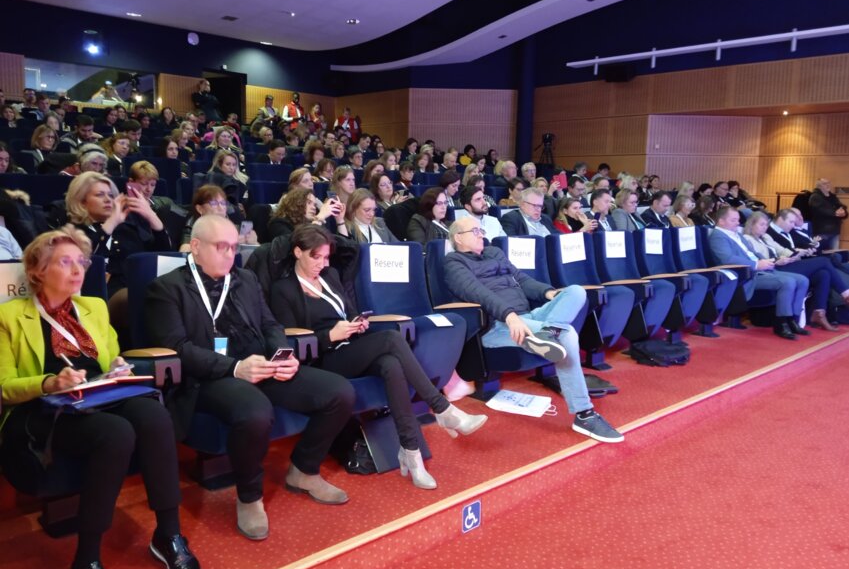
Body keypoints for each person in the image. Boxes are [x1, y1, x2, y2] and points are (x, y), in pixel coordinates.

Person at [0, 226, 202, 569]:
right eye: (65, 262)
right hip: (45, 410)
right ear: (37, 271)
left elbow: (112, 358)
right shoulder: (10, 316)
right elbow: (4, 387)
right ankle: (86, 560)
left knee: (155, 416)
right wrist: (50, 382)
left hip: (100, 396)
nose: (78, 270)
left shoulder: (93, 307)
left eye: (81, 261)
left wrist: (118, 367)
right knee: (117, 433)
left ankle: (169, 535)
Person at [146, 215, 355, 539]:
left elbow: (271, 325)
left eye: (234, 247)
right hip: (209, 377)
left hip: (261, 363)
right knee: (255, 411)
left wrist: (282, 355)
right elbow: (179, 349)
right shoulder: (167, 288)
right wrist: (234, 368)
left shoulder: (245, 279)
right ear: (197, 246)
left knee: (339, 392)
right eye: (222, 247)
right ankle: (249, 495)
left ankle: (304, 469)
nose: (231, 254)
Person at [270, 225, 487, 487]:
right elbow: (290, 342)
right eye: (315, 257)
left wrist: (356, 323)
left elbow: (349, 312)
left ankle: (411, 453)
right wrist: (330, 336)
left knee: (391, 364)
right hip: (322, 360)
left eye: (326, 257)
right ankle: (441, 407)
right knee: (391, 338)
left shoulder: (331, 276)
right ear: (297, 252)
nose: (322, 264)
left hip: (351, 348)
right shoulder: (283, 289)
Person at [444, 216, 623, 443]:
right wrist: (510, 317)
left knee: (576, 291)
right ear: (458, 237)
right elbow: (479, 294)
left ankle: (545, 335)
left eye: (481, 230)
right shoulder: (453, 263)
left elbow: (522, 280)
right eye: (475, 231)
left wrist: (550, 294)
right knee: (567, 335)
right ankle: (584, 414)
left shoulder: (494, 253)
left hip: (530, 317)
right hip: (498, 326)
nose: (482, 235)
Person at [67, 172, 171, 301]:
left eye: (111, 195)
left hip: (138, 290)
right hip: (102, 297)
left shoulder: (127, 228)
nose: (108, 200)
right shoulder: (74, 232)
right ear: (82, 201)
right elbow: (88, 262)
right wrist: (112, 222)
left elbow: (163, 255)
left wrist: (151, 216)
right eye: (100, 195)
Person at [709, 206, 809, 340]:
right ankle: (781, 323)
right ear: (721, 221)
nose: (738, 223)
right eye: (733, 220)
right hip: (747, 274)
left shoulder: (736, 234)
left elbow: (752, 253)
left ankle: (792, 319)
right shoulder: (718, 236)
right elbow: (727, 259)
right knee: (788, 282)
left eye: (738, 220)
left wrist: (770, 260)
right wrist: (756, 264)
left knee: (803, 280)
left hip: (761, 269)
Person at [743, 211, 849, 330]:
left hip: (784, 262)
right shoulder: (747, 239)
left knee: (823, 274)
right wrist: (778, 259)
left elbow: (782, 250)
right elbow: (759, 259)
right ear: (751, 224)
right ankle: (846, 293)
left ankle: (819, 313)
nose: (765, 228)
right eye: (761, 225)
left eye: (766, 225)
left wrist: (797, 254)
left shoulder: (765, 237)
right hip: (772, 267)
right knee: (824, 261)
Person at [179, 185, 256, 251]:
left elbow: (255, 248)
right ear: (200, 209)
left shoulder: (235, 218)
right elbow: (185, 250)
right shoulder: (192, 223)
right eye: (214, 203)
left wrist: (252, 241)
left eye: (223, 203)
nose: (221, 207)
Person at [268, 187, 342, 241]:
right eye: (309, 203)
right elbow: (299, 246)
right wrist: (319, 218)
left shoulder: (314, 223)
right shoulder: (278, 223)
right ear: (296, 203)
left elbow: (343, 250)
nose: (314, 208)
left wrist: (340, 221)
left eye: (315, 205)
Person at [808, 179, 847, 250]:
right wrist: (835, 213)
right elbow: (821, 210)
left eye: (828, 183)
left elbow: (841, 206)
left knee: (835, 253)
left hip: (835, 230)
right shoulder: (815, 197)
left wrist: (843, 212)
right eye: (824, 183)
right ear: (819, 186)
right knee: (820, 252)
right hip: (822, 231)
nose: (828, 185)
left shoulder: (832, 196)